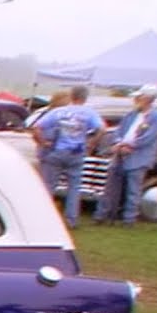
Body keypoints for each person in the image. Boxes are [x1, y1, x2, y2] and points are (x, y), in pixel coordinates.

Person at [32, 85, 105, 228]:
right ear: (85, 98)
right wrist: (91, 143)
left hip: (57, 151)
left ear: (72, 96)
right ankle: (71, 220)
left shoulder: (59, 112)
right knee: (74, 187)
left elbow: (37, 127)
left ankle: (43, 217)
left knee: (49, 186)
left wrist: (43, 143)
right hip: (77, 152)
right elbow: (102, 129)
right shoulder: (89, 113)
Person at [94, 84, 157, 227]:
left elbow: (149, 137)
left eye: (139, 97)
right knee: (110, 188)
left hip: (138, 157)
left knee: (133, 190)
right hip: (120, 155)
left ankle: (129, 219)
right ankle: (103, 215)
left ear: (147, 99)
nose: (135, 100)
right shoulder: (131, 114)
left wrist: (131, 145)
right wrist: (118, 143)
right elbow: (118, 131)